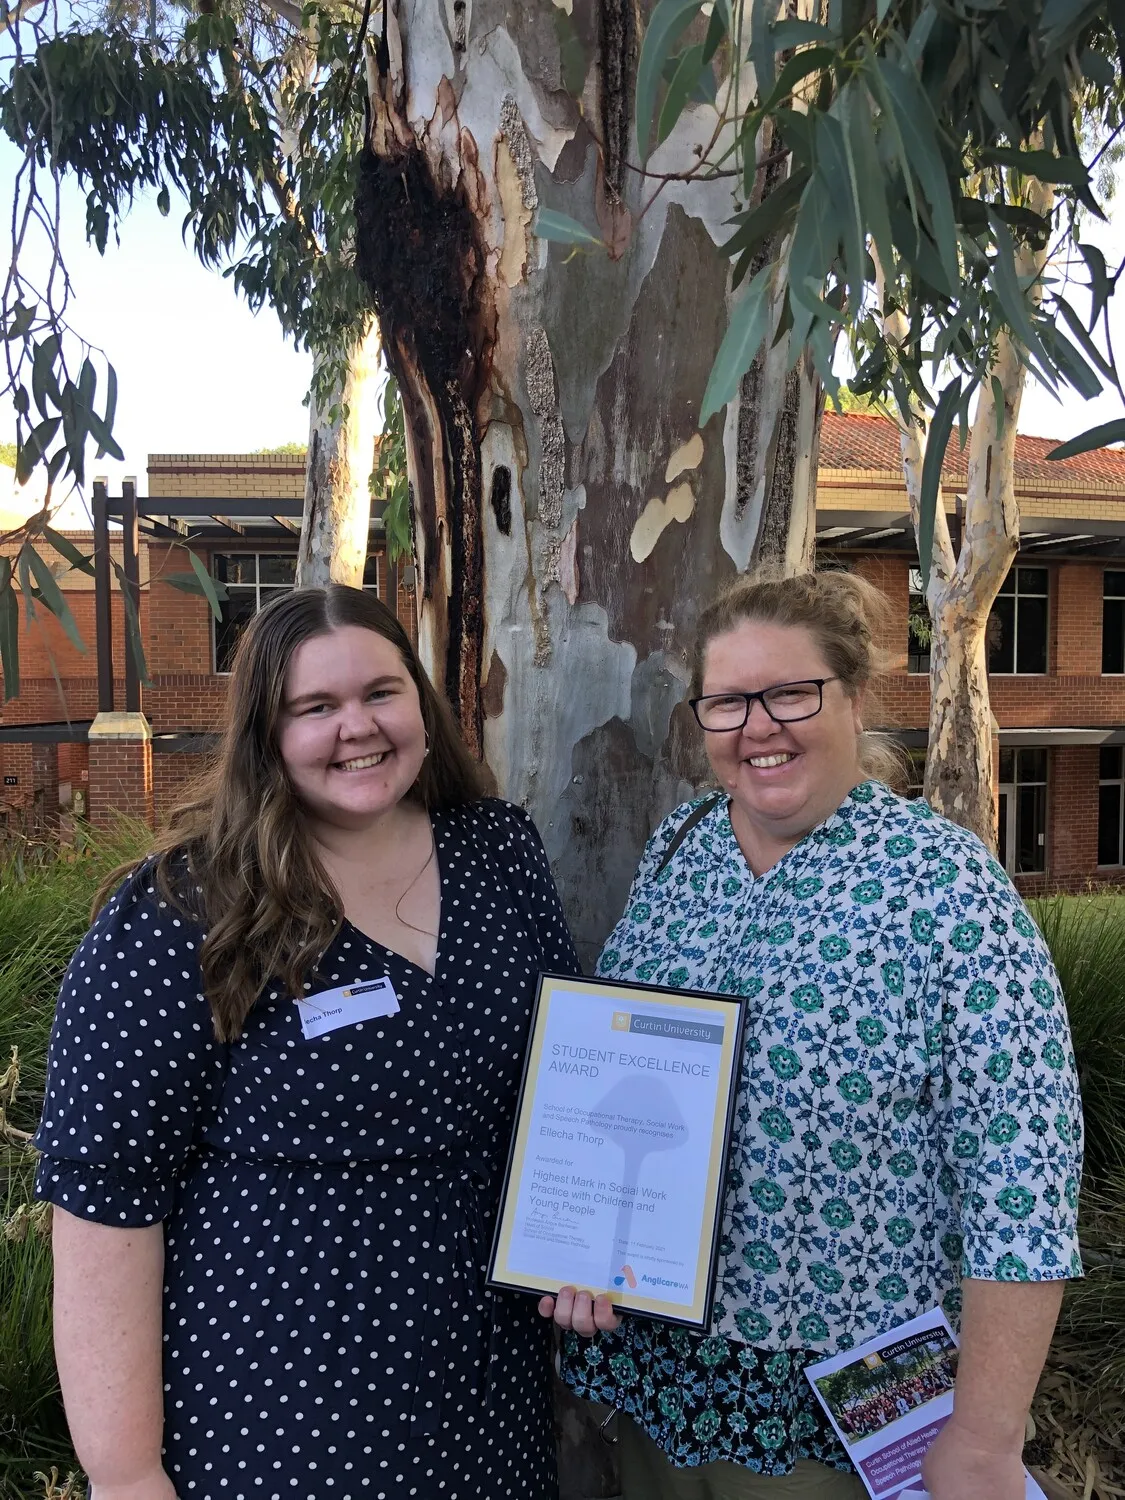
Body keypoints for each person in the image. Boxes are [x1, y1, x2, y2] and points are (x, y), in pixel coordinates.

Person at [544, 570, 1083, 1500]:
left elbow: (1021, 1177)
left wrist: (986, 1435)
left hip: (850, 1405)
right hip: (662, 1381)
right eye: (726, 702)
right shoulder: (681, 852)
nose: (757, 727)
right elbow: (612, 1072)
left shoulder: (943, 886)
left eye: (790, 693)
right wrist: (579, 1241)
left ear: (855, 697)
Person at [34, 585, 580, 1500]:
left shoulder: (495, 852)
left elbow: (569, 1071)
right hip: (286, 1402)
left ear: (420, 701)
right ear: (264, 732)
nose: (356, 727)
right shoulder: (185, 911)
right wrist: (124, 1473)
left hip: (488, 1393)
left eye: (380, 692)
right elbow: (103, 1199)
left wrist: (590, 1244)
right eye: (314, 706)